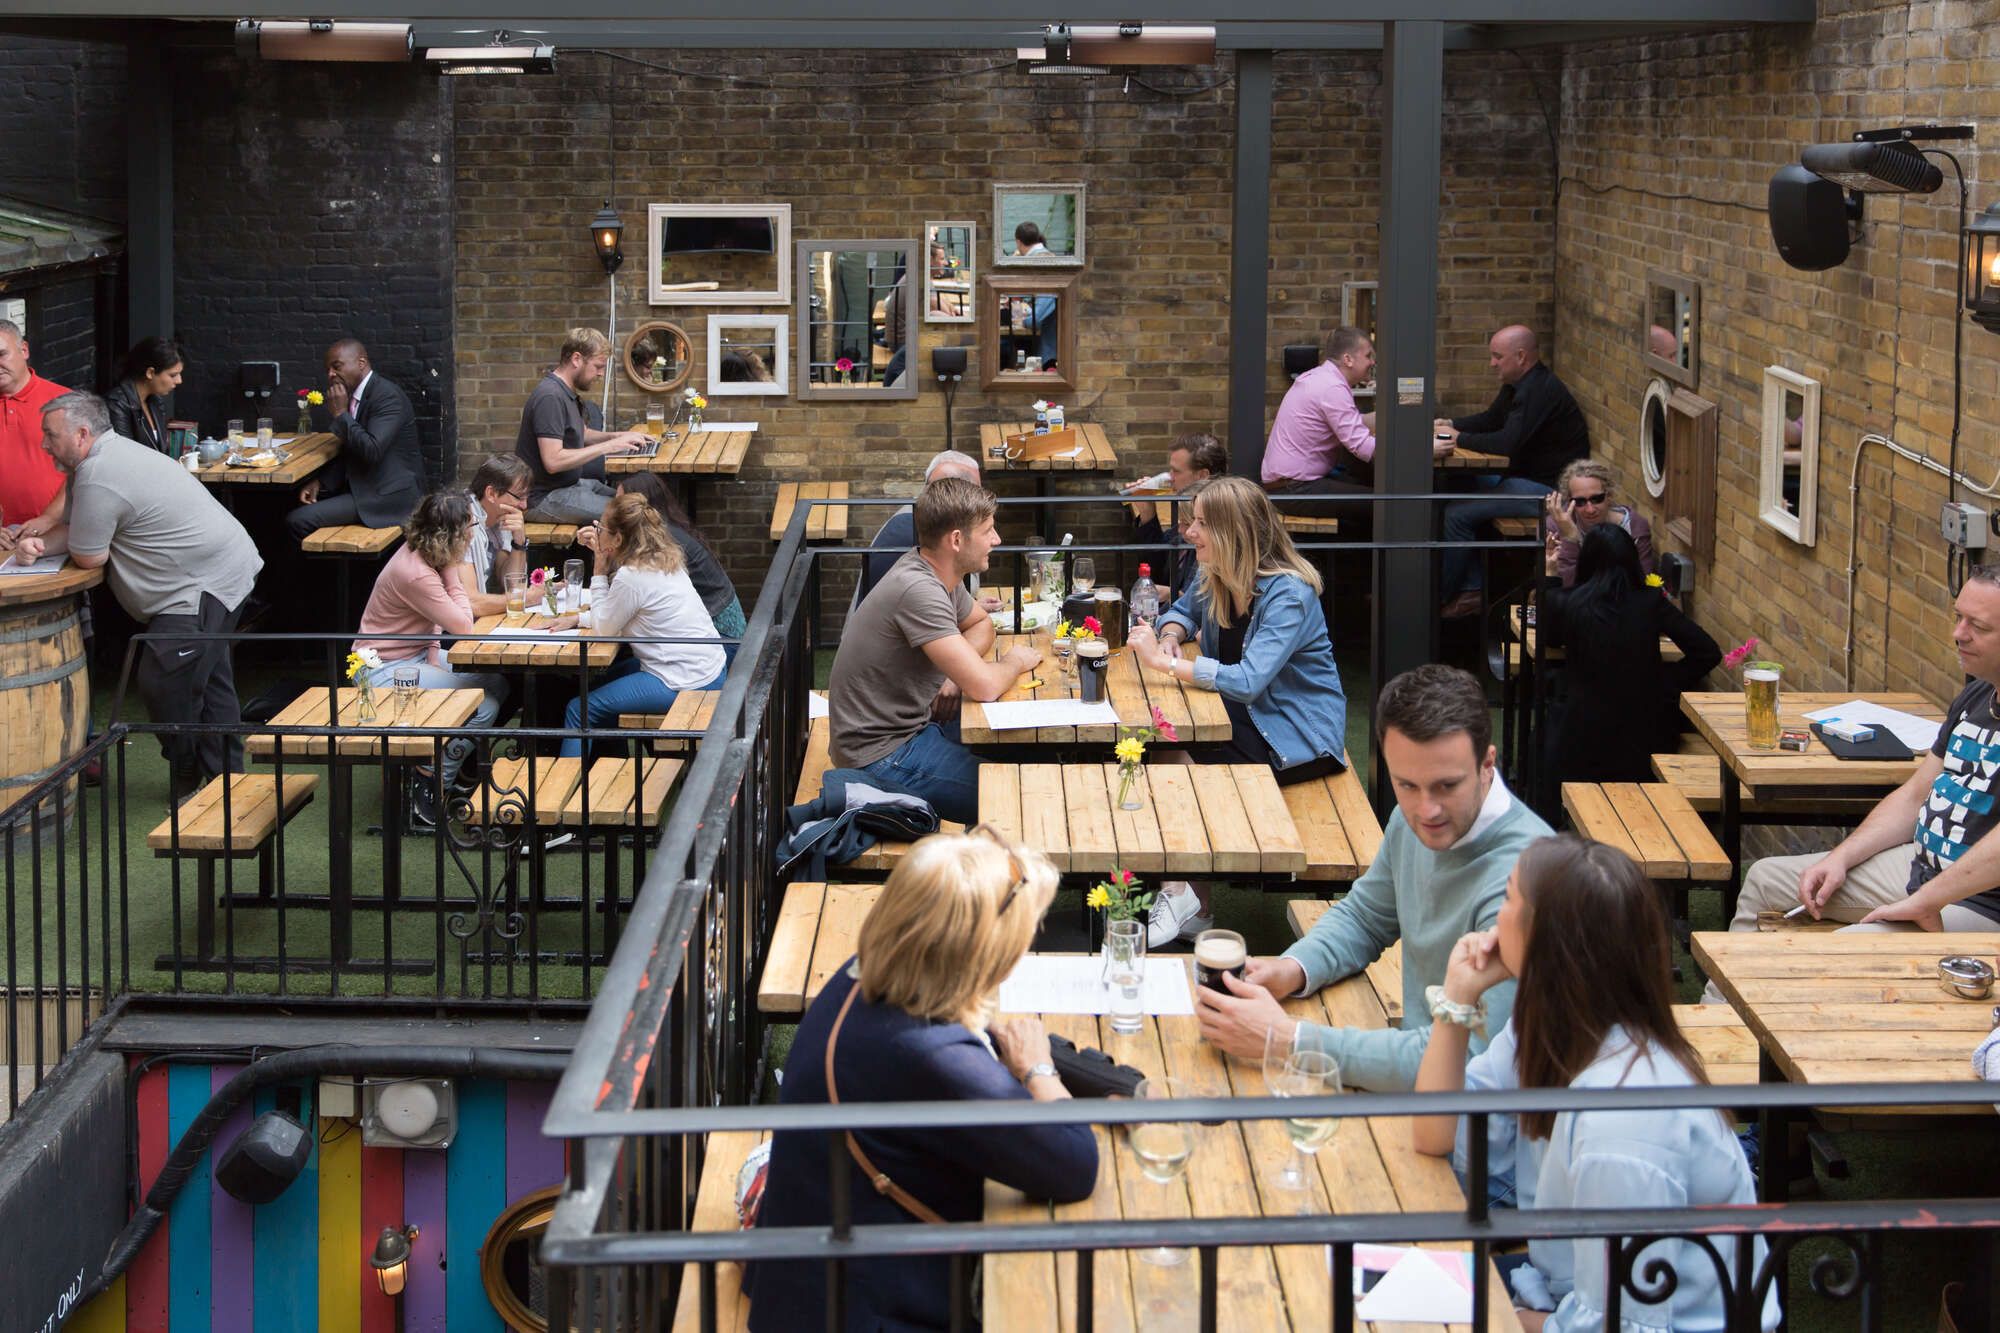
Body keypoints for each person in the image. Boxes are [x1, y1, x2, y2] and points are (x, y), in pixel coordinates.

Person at [1413, 837, 1773, 1332]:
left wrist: (1510, 1320)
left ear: (1546, 940)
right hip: (1562, 1293)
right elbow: (1439, 1138)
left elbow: (1628, 1326)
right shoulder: (1551, 1026)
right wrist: (1456, 999)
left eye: (1508, 898)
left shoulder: (1624, 1120)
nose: (1495, 917)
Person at [745, 828, 1096, 1330]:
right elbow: (1074, 1165)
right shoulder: (930, 1056)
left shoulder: (862, 976)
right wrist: (1038, 1067)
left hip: (806, 1287)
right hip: (871, 1311)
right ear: (981, 952)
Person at [1191, 664, 1553, 1091]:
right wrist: (1291, 968)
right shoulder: (1414, 821)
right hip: (1418, 1092)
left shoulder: (1527, 884)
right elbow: (1365, 916)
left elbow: (1470, 1064)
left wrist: (1287, 1038)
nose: (1426, 809)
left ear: (1488, 763)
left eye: (1446, 786)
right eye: (1407, 785)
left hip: (1476, 1132)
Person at [1711, 564, 2000, 946]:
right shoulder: (1978, 695)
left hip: (1980, 905)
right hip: (1922, 869)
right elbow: (1914, 797)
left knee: (1845, 949)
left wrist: (1925, 900)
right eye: (1958, 618)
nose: (1957, 634)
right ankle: (1720, 1007)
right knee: (1766, 879)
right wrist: (1840, 858)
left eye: (1977, 627)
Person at [1127, 476, 1349, 944]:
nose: (1189, 533)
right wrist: (1170, 635)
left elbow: (1249, 682)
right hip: (1246, 716)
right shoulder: (1217, 575)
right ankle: (1192, 904)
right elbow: (1182, 612)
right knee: (1162, 745)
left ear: (1234, 532)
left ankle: (1180, 891)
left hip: (1294, 736)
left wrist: (1166, 663)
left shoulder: (1290, 594)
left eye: (1202, 524)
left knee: (1169, 754)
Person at [12, 393, 261, 804]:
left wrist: (51, 542)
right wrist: (37, 545)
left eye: (49, 436)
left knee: (163, 680)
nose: (43, 445)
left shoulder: (98, 473)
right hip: (221, 570)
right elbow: (78, 530)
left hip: (201, 585)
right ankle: (224, 783)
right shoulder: (95, 461)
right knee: (211, 679)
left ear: (81, 434)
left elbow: (89, 552)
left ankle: (187, 762)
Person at [827, 477, 1040, 825]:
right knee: (1014, 795)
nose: (997, 540)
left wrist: (956, 676)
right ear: (957, 540)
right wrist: (1013, 661)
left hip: (911, 729)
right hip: (880, 756)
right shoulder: (919, 589)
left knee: (1025, 755)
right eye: (988, 530)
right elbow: (985, 687)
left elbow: (980, 623)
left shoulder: (936, 571)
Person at [352, 491, 509, 825]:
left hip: (415, 654)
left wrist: (435, 655)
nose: (473, 532)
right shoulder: (417, 572)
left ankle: (455, 764)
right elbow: (464, 625)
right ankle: (430, 780)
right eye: (469, 525)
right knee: (485, 705)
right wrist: (454, 567)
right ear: (449, 535)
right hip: (380, 670)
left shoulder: (426, 554)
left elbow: (433, 618)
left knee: (498, 681)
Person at [1537, 525, 1718, 790]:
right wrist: (1664, 682)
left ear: (1587, 560)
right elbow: (1707, 652)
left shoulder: (1568, 602)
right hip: (1646, 734)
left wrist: (1550, 576)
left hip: (1581, 735)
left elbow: (1549, 639)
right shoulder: (1651, 601)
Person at [1435, 326, 1591, 618]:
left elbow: (1507, 443)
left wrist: (1457, 438)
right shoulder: (1518, 384)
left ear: (1520, 356)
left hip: (1547, 491)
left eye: (1497, 357)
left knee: (1455, 515)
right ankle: (1469, 583)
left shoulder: (1538, 391)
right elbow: (1492, 419)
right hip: (1522, 477)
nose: (1492, 363)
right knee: (1454, 481)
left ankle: (1449, 596)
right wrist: (1450, 422)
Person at [559, 493, 727, 758]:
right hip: (706, 667)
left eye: (601, 528)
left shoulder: (631, 575)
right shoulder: (665, 557)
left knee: (579, 709)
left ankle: (563, 795)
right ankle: (610, 765)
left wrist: (600, 568)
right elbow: (622, 612)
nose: (597, 531)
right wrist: (579, 619)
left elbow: (605, 628)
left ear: (617, 539)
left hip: (684, 680)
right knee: (595, 684)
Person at [286, 338, 425, 541]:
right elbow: (352, 450)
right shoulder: (357, 395)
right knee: (291, 501)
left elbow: (371, 450)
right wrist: (322, 482)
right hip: (364, 486)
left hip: (388, 498)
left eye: (337, 366)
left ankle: (319, 573)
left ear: (361, 363)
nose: (331, 374)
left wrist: (341, 414)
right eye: (328, 369)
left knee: (297, 520)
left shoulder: (387, 396)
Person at [586, 472, 746, 638]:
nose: (616, 508)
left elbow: (624, 597)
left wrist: (603, 551)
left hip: (723, 635)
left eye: (622, 502)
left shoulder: (663, 545)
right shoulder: (661, 535)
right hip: (707, 639)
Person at [516, 328, 650, 524]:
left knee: (636, 502)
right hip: (544, 498)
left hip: (569, 486)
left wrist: (618, 437)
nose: (601, 374)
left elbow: (582, 433)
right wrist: (607, 447)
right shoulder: (550, 397)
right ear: (576, 359)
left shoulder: (565, 392)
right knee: (631, 515)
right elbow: (553, 461)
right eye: (598, 366)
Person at [1260, 326, 1384, 504]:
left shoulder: (1323, 378)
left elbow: (1352, 422)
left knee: (1366, 489)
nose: (1372, 362)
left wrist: (1397, 421)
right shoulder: (1332, 387)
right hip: (1293, 488)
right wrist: (1419, 450)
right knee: (1382, 505)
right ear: (1348, 359)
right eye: (1368, 356)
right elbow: (1361, 444)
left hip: (1288, 483)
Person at [854, 449, 984, 606]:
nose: (979, 500)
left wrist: (970, 607)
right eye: (976, 492)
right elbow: (920, 604)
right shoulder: (914, 530)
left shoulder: (919, 515)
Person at [0, 319, 71, 542]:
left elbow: (83, 468)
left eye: (2, 354)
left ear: (24, 350)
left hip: (60, 531)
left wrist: (49, 518)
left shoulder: (63, 401)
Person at [1128, 431, 1226, 593]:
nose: (1169, 477)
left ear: (1202, 476)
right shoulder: (1183, 509)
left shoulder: (1216, 524)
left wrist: (1170, 595)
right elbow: (1155, 570)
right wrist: (1147, 513)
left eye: (1176, 471)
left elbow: (1201, 599)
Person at [1541, 459, 1652, 587]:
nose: (1590, 509)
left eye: (1597, 499)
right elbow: (1567, 589)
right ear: (1569, 501)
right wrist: (1569, 538)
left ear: (1609, 495)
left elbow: (1643, 584)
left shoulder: (1633, 526)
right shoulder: (1555, 527)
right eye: (1580, 502)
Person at [455, 454, 530, 616]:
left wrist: (519, 542)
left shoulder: (499, 521)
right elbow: (471, 602)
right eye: (519, 496)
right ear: (491, 494)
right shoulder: (462, 523)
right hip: (438, 634)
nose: (524, 505)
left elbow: (511, 584)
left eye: (527, 496)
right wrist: (528, 598)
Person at [104, 336, 182, 453]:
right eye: (172, 375)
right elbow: (124, 455)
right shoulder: (117, 405)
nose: (179, 380)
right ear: (150, 373)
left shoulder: (155, 401)